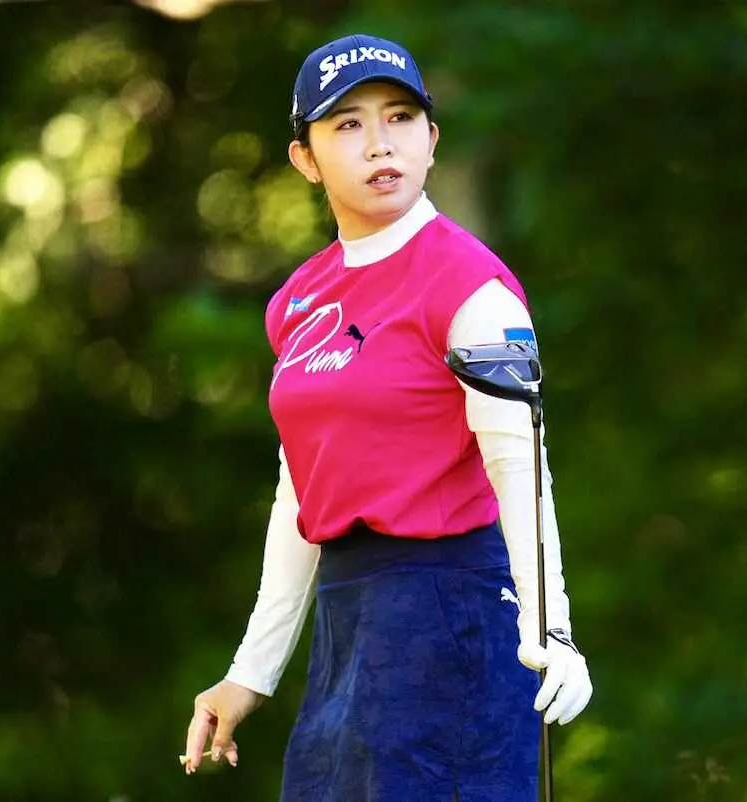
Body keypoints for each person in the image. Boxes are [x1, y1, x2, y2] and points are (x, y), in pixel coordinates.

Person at [180, 32, 593, 801]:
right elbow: (301, 490)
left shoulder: (474, 288)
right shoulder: (298, 301)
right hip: (350, 621)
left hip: (454, 612)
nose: (380, 143)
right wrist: (252, 670)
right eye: (348, 124)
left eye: (400, 118)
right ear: (305, 159)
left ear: (432, 140)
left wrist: (551, 629)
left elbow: (520, 469)